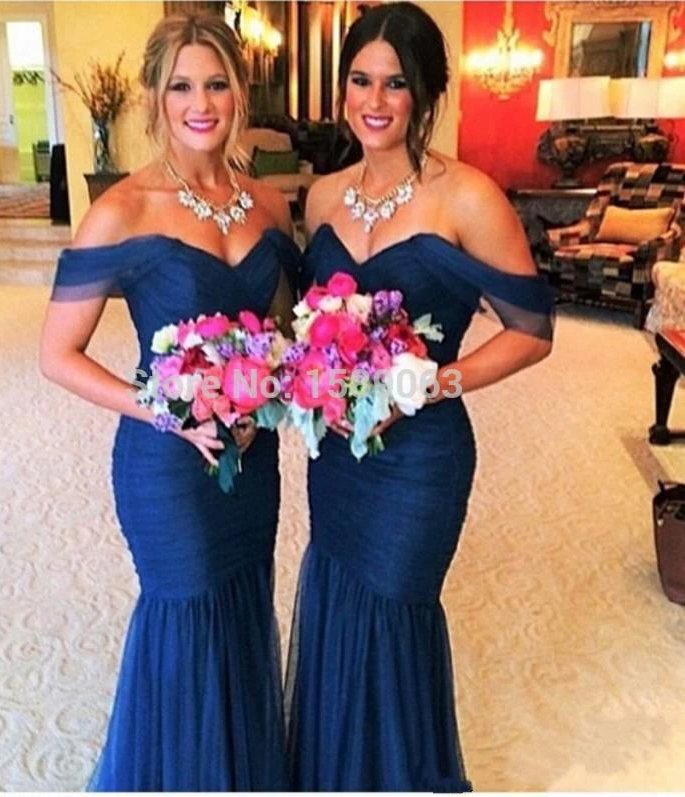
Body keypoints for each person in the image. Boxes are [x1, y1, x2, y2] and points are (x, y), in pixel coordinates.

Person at [285, 3, 554, 791]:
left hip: (421, 457)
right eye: (361, 80)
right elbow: (309, 322)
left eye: (395, 83)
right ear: (342, 89)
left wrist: (435, 381)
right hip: (340, 453)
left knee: (396, 610)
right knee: (337, 594)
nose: (375, 100)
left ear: (426, 92)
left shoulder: (468, 196)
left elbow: (533, 331)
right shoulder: (323, 197)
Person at [39, 14, 297, 791]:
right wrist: (164, 408)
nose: (201, 103)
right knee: (186, 613)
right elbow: (56, 354)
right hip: (165, 459)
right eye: (182, 85)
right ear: (153, 95)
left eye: (216, 84)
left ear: (239, 92)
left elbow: (284, 331)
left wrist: (267, 384)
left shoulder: (269, 204)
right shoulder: (122, 209)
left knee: (243, 603)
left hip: (252, 455)